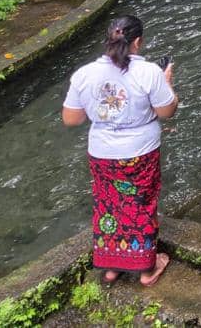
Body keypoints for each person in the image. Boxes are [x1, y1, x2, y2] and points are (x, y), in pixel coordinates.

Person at [61, 16, 178, 286]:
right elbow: (167, 112)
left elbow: (71, 119)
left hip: (102, 154)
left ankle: (112, 266)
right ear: (138, 41)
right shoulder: (149, 72)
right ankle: (147, 269)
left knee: (109, 205)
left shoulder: (84, 74)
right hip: (140, 152)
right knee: (141, 205)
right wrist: (167, 83)